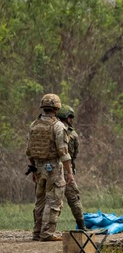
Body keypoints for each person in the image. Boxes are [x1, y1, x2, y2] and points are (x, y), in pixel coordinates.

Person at [25, 94, 74, 242]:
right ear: (57, 107)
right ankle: (47, 233)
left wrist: (33, 169)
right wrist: (69, 172)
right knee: (53, 201)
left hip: (38, 168)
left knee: (40, 201)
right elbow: (63, 152)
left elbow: (29, 151)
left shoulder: (34, 124)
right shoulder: (58, 126)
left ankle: (37, 232)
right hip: (53, 168)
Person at [56, 106, 86, 230]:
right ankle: (82, 226)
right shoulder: (72, 134)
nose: (71, 120)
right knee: (74, 198)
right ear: (66, 117)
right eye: (70, 117)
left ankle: (42, 230)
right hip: (64, 170)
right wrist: (70, 171)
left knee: (48, 200)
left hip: (50, 169)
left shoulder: (52, 129)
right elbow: (73, 155)